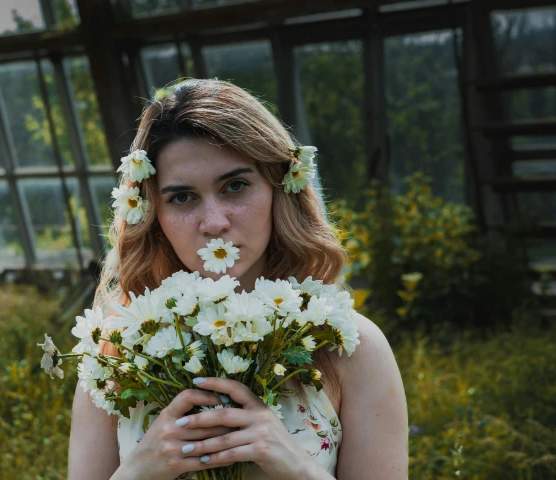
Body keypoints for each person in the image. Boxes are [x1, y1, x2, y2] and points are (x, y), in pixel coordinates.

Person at [68, 79, 408, 480]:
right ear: (151, 212)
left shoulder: (350, 348)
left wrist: (297, 468)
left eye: (235, 186)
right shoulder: (118, 358)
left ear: (279, 188)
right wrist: (138, 472)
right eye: (182, 197)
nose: (214, 224)